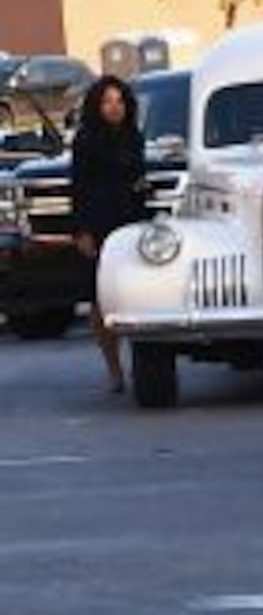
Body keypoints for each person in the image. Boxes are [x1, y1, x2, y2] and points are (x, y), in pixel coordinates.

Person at [66, 73, 151, 395]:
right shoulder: (86, 141)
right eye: (107, 102)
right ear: (95, 106)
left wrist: (142, 188)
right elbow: (78, 188)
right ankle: (114, 369)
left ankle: (143, 361)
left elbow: (138, 176)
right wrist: (82, 230)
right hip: (99, 224)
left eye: (119, 101)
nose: (114, 108)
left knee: (138, 292)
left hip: (131, 221)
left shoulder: (134, 137)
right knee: (100, 299)